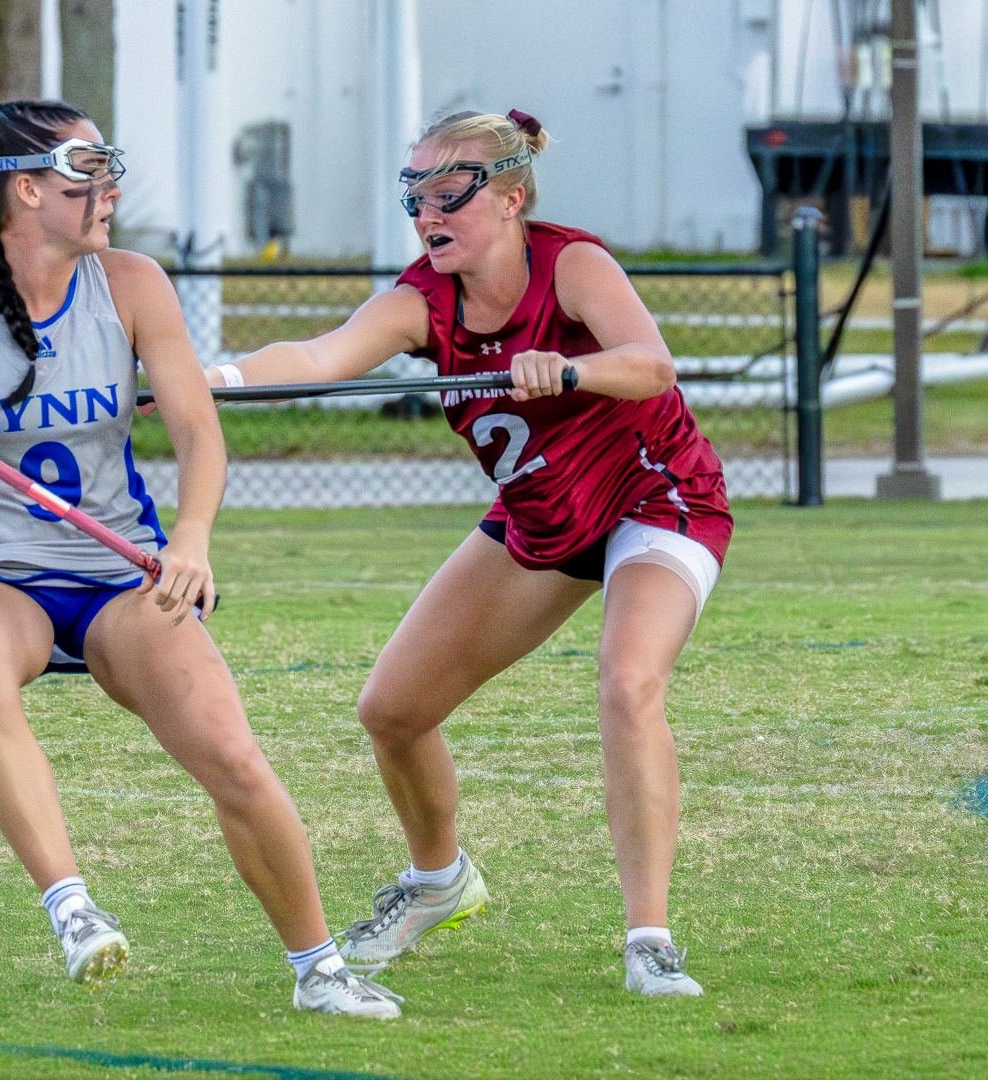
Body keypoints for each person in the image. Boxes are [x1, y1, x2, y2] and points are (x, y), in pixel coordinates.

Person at [0, 99, 402, 1017]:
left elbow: (197, 437)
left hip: (116, 571)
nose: (110, 190)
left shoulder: (132, 284)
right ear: (24, 192)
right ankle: (73, 908)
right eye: (87, 172)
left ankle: (320, 968)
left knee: (232, 756)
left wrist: (192, 540)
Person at [203, 110, 730, 996]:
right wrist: (206, 378)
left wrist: (568, 369)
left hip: (657, 497)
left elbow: (651, 365)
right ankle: (440, 882)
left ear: (511, 198)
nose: (426, 212)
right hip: (542, 519)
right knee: (393, 710)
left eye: (448, 192)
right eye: (414, 195)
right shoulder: (420, 301)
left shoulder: (572, 263)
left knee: (628, 680)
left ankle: (650, 942)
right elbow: (321, 356)